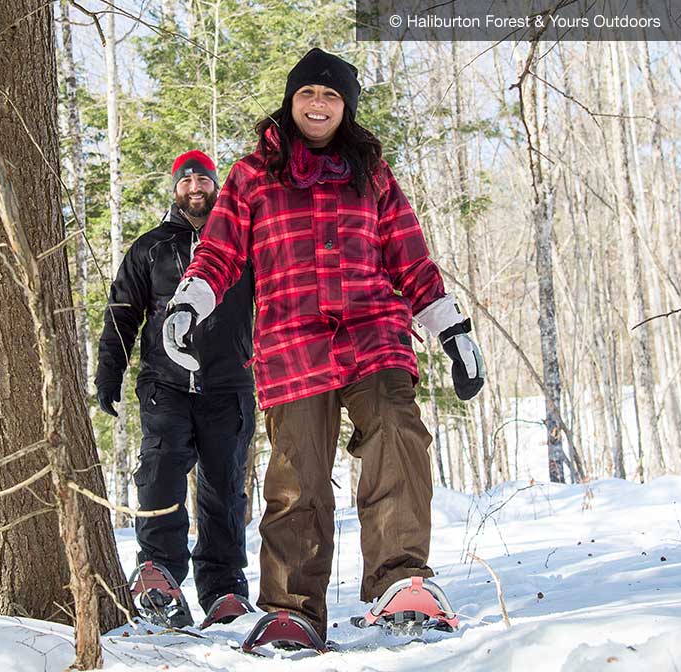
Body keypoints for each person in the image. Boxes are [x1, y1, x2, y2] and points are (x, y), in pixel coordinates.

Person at [162, 48, 485, 643]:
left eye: (331, 95)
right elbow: (220, 253)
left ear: (346, 107)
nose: (318, 104)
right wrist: (188, 304)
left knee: (397, 428)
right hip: (291, 346)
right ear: (291, 101)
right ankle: (292, 609)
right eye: (308, 93)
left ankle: (402, 581)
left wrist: (451, 328)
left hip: (374, 333)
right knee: (296, 475)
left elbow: (409, 257)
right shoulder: (251, 175)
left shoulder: (371, 172)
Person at [95, 150, 256, 625]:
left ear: (215, 187)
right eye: (185, 180)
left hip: (229, 387)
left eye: (203, 179)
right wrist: (110, 372)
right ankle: (160, 577)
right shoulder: (150, 248)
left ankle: (224, 590)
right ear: (175, 188)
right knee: (161, 476)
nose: (194, 187)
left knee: (224, 490)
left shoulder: (242, 247)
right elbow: (123, 314)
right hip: (165, 385)